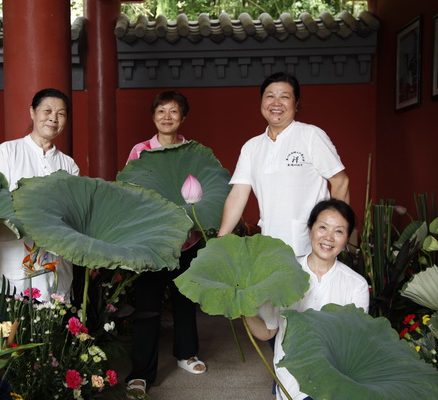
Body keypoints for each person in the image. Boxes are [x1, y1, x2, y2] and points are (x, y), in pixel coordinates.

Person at [246, 199, 369, 400]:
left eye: (339, 231)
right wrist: (241, 308)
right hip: (293, 373)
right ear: (310, 229)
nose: (329, 237)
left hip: (336, 373)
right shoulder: (283, 274)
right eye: (323, 227)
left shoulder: (357, 285)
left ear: (347, 238)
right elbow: (267, 332)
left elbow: (353, 345)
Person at [125, 90, 206, 395]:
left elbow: (205, 189)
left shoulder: (194, 151)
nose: (167, 117)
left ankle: (186, 354)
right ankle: (141, 372)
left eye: (173, 112)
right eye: (161, 111)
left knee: (185, 300)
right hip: (152, 242)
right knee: (147, 306)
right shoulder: (141, 150)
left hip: (187, 238)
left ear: (182, 117)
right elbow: (131, 192)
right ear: (153, 116)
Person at [0, 88, 80, 302]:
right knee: (10, 330)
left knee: (51, 327)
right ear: (32, 113)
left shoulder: (69, 165)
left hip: (55, 263)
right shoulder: (7, 153)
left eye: (61, 114)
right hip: (11, 260)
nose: (53, 118)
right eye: (47, 111)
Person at [218, 72, 349, 257]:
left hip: (313, 248)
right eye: (270, 96)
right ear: (261, 102)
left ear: (296, 104)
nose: (276, 103)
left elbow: (340, 182)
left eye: (284, 97)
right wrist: (221, 240)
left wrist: (336, 235)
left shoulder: (310, 135)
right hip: (271, 248)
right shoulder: (252, 147)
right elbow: (238, 195)